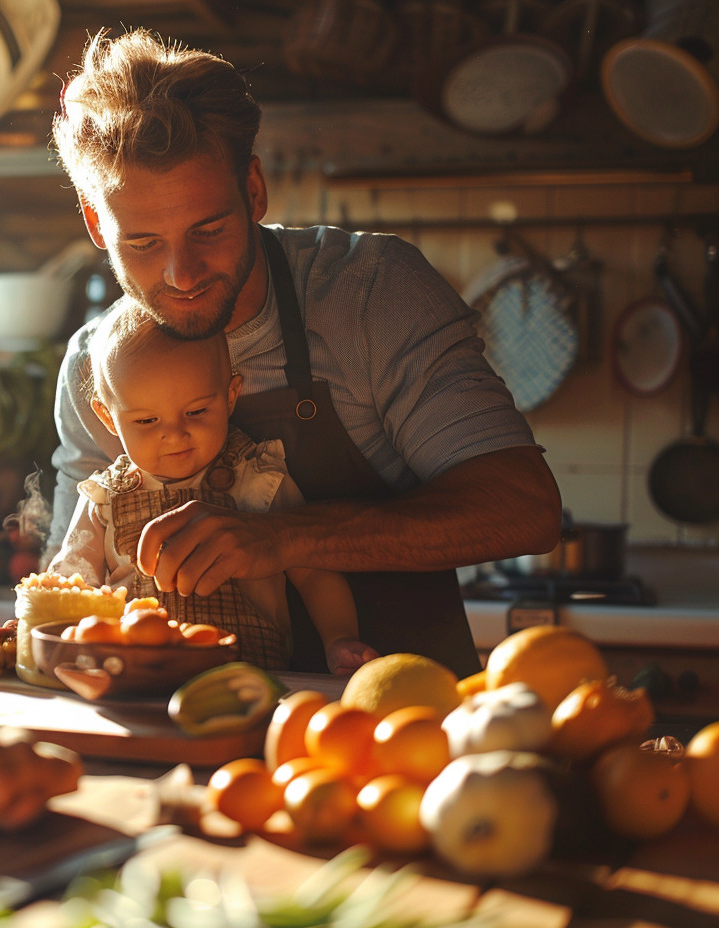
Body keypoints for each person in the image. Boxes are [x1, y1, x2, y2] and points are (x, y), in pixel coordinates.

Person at [46, 28, 562, 678]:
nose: (181, 274)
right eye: (143, 242)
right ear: (97, 225)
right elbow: (68, 588)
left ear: (254, 191)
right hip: (190, 736)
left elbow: (525, 509)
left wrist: (288, 536)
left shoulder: (372, 294)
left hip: (401, 728)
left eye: (209, 229)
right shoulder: (96, 362)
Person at [48, 299, 378, 674]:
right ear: (108, 417)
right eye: (146, 420)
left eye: (196, 412)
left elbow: (315, 571)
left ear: (230, 396)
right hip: (133, 678)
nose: (174, 434)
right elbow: (73, 580)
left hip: (250, 678)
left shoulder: (258, 477)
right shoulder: (103, 498)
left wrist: (338, 639)